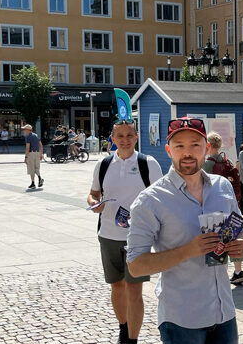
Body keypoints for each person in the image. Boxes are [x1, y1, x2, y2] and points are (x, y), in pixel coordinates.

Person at [126, 117, 243, 344]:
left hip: (225, 313)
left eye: (195, 145)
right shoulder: (151, 200)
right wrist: (188, 250)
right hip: (182, 318)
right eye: (179, 146)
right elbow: (135, 265)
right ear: (168, 150)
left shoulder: (223, 187)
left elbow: (238, 227)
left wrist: (240, 242)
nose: (187, 152)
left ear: (207, 148)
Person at [87, 120, 162, 344]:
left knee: (134, 288)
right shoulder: (103, 164)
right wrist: (94, 203)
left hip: (137, 238)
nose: (125, 139)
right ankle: (123, 327)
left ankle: (132, 339)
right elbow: (92, 194)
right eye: (120, 135)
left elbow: (161, 198)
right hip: (108, 234)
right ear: (112, 138)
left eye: (129, 135)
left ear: (137, 137)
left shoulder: (148, 163)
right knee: (117, 286)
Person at [202, 132, 243, 285]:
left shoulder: (208, 164)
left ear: (208, 145)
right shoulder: (227, 161)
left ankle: (217, 278)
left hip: (215, 210)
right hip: (232, 206)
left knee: (218, 245)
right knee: (234, 239)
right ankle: (238, 270)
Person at [23, 124, 44, 189]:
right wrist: (41, 154)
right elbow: (40, 145)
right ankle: (37, 180)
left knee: (31, 168)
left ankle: (34, 182)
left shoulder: (28, 137)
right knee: (36, 168)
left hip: (31, 154)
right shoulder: (36, 135)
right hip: (37, 153)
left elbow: (27, 148)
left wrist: (26, 157)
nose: (24, 130)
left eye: (24, 129)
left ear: (28, 130)